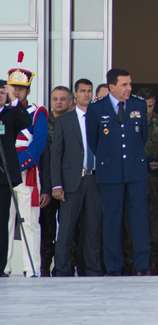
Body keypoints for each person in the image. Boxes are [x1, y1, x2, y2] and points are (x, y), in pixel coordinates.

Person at [85, 68, 149, 275]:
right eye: (124, 85)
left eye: (130, 84)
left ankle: (142, 266)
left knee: (139, 220)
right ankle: (113, 267)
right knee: (112, 221)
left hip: (135, 172)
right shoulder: (96, 108)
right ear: (111, 86)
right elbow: (94, 141)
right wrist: (109, 159)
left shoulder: (139, 105)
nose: (128, 88)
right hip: (110, 173)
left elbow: (143, 137)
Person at [50, 78, 102, 276]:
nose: (86, 94)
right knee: (66, 230)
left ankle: (92, 270)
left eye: (89, 91)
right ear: (75, 95)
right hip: (72, 181)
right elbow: (56, 155)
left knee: (92, 229)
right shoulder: (64, 121)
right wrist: (56, 185)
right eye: (82, 91)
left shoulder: (98, 118)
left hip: (94, 180)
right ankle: (62, 270)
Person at [5, 51, 49, 277]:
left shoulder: (37, 112)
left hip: (25, 172)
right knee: (5, 221)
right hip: (4, 174)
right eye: (13, 87)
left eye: (21, 88)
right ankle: (4, 266)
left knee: (29, 221)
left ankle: (32, 267)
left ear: (28, 90)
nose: (17, 91)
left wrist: (17, 164)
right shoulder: (3, 113)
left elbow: (38, 144)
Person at [136, 87, 158, 274]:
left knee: (156, 224)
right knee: (133, 222)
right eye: (143, 106)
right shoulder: (128, 121)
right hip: (134, 179)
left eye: (150, 106)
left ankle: (154, 265)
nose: (147, 110)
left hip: (156, 181)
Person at [0, 79, 32, 277]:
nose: (0, 95)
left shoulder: (11, 114)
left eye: (2, 92)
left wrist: (13, 99)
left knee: (2, 223)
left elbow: (27, 123)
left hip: (4, 177)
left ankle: (1, 265)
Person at [41, 85, 73, 276]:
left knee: (69, 227)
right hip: (47, 182)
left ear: (70, 101)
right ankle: (44, 265)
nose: (59, 102)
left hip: (69, 183)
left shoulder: (75, 122)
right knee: (47, 227)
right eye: (55, 99)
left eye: (63, 99)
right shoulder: (42, 122)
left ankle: (65, 266)